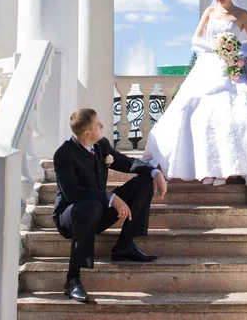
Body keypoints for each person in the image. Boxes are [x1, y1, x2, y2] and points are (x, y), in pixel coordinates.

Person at [143, 0, 247, 186]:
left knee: (226, 115)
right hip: (208, 65)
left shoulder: (242, 15)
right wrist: (217, 47)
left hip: (228, 67)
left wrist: (237, 54)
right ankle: (201, 167)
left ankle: (225, 168)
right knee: (193, 110)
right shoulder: (210, 11)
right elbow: (196, 39)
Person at [53, 108, 168, 303]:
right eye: (98, 123)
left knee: (144, 181)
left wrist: (153, 172)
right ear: (86, 133)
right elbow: (72, 193)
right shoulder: (64, 155)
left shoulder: (101, 145)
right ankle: (72, 279)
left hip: (98, 211)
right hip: (71, 217)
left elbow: (126, 162)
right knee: (91, 205)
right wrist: (110, 197)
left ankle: (124, 246)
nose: (102, 126)